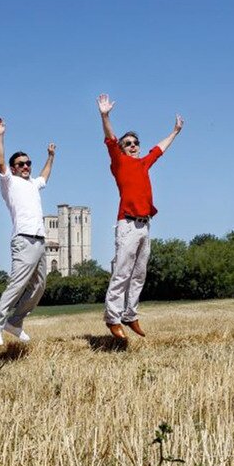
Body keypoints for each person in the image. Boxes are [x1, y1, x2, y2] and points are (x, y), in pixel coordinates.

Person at [97, 93, 183, 338]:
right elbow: (110, 139)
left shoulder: (144, 163)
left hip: (145, 225)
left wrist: (175, 131)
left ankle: (130, 314)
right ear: (122, 149)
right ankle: (112, 318)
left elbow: (159, 149)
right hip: (127, 224)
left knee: (139, 274)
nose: (133, 145)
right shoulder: (119, 163)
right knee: (122, 272)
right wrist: (105, 116)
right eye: (128, 144)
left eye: (135, 142)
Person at [0, 118, 55, 346]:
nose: (26, 167)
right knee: (18, 283)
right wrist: (0, 136)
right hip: (23, 240)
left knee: (39, 286)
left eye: (28, 163)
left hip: (40, 240)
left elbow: (44, 176)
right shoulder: (9, 183)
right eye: (22, 164)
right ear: (14, 168)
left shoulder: (33, 184)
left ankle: (14, 323)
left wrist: (51, 157)